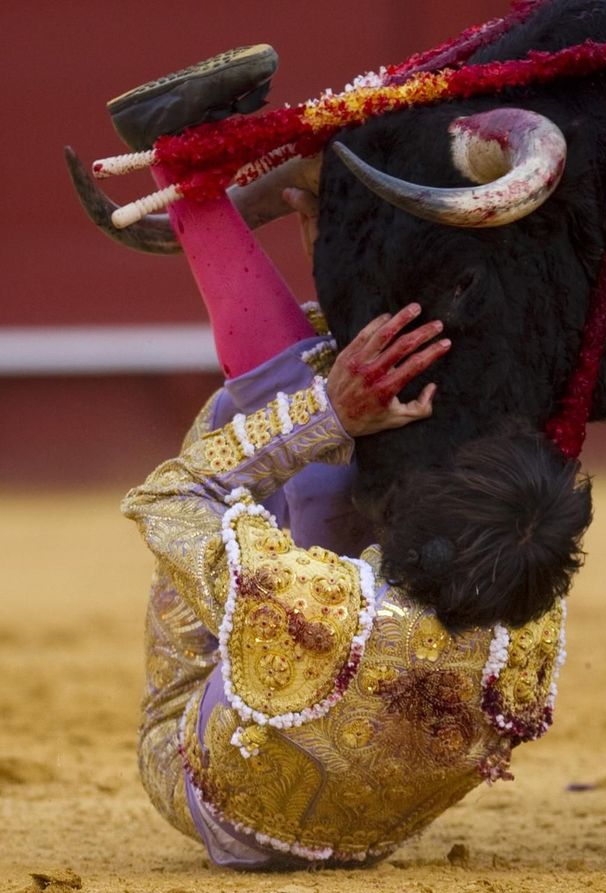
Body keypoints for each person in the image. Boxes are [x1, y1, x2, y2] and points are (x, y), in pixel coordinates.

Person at [119, 46, 569, 870]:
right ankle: (319, 279)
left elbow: (167, 498)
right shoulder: (536, 609)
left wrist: (330, 412)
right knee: (376, 439)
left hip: (203, 772)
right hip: (373, 826)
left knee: (314, 456)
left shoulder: (308, 602)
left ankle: (195, 187)